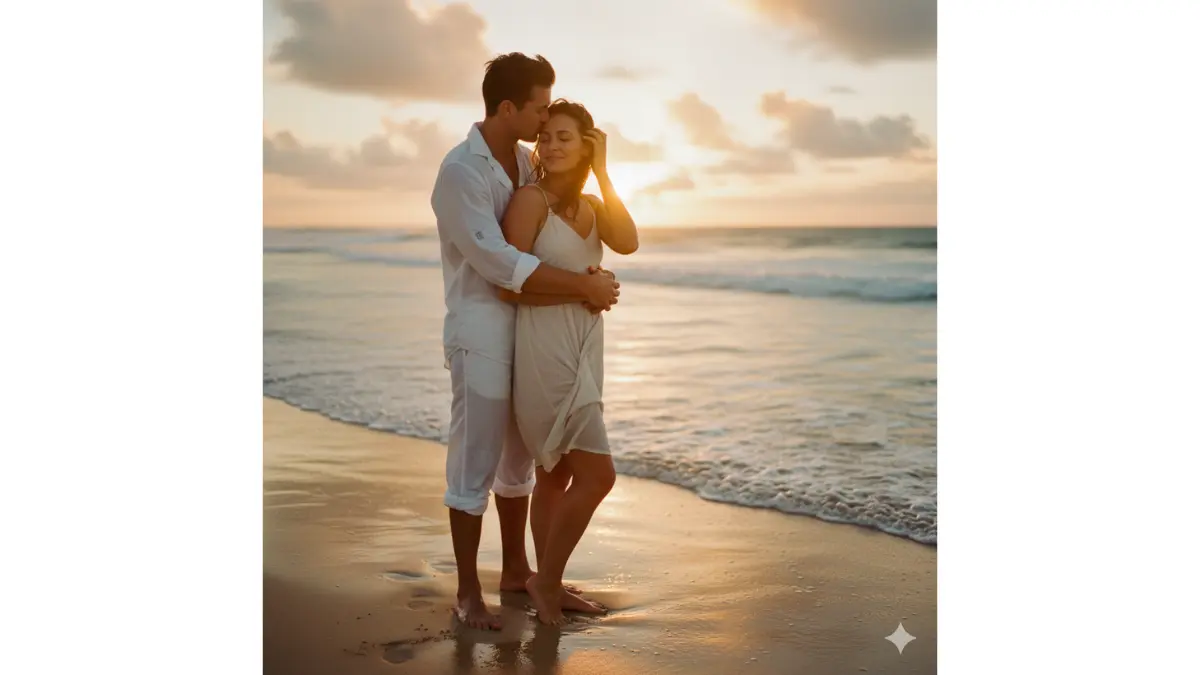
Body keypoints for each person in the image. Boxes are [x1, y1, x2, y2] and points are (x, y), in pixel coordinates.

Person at [430, 54, 621, 631]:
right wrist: (585, 287)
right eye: (540, 106)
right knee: (475, 463)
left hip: (531, 337)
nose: (545, 119)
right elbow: (498, 262)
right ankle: (468, 592)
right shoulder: (461, 171)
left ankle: (518, 571)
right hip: (481, 332)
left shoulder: (519, 160)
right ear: (508, 106)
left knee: (520, 465)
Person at [496, 99, 640, 625]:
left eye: (566, 138)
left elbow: (628, 242)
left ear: (587, 145)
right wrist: (586, 290)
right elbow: (509, 286)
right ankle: (548, 583)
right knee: (597, 475)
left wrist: (603, 175)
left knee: (554, 474)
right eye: (547, 137)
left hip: (584, 348)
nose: (552, 146)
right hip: (542, 350)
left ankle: (545, 582)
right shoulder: (529, 201)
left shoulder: (593, 208)